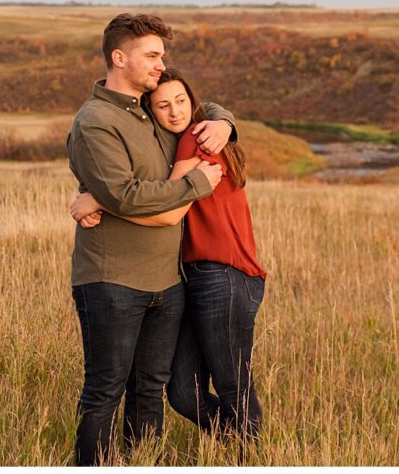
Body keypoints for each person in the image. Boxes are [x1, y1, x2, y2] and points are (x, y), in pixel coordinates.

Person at [66, 13, 236, 466]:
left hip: (167, 282)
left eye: (162, 55)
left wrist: (224, 121)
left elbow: (194, 113)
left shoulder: (147, 111)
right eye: (152, 55)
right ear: (119, 58)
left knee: (150, 389)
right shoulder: (96, 121)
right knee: (105, 388)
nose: (161, 64)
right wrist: (199, 182)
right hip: (112, 280)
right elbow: (127, 193)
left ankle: (143, 463)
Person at [71, 68, 266, 441]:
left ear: (193, 103)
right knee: (180, 392)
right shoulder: (181, 137)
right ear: (150, 111)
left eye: (181, 102)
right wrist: (223, 119)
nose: (175, 112)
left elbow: (170, 207)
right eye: (163, 105)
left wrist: (101, 199)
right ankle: (241, 442)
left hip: (224, 275)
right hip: (192, 276)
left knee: (233, 388)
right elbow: (154, 187)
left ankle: (253, 453)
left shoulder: (197, 139)